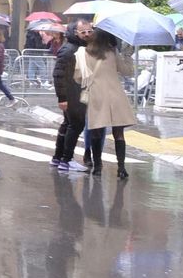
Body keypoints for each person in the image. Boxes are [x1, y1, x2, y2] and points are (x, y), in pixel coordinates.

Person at [77, 28, 137, 180]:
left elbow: (78, 76)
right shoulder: (112, 53)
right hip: (116, 96)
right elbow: (127, 71)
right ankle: (121, 168)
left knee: (96, 132)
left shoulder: (83, 54)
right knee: (119, 134)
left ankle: (97, 166)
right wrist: (128, 56)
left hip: (96, 96)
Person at [50, 21, 94, 173]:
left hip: (76, 93)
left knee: (69, 124)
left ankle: (58, 158)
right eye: (83, 32)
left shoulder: (79, 48)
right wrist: (62, 97)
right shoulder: (70, 50)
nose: (87, 34)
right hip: (72, 94)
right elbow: (58, 74)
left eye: (89, 31)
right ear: (76, 32)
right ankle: (66, 160)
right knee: (76, 125)